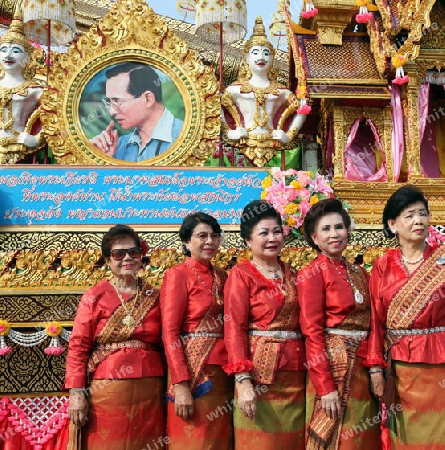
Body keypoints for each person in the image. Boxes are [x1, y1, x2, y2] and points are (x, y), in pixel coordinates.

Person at [65, 225, 165, 450]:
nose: (127, 258)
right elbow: (79, 347)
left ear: (141, 256)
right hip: (107, 388)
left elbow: (167, 343)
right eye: (119, 254)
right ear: (108, 261)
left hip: (151, 388)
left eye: (134, 252)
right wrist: (77, 392)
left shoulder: (156, 296)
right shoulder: (94, 296)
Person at [365, 185, 445, 448]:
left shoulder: (442, 260)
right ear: (393, 223)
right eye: (409, 215)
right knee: (406, 436)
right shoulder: (382, 265)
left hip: (439, 367)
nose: (418, 220)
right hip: (398, 369)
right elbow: (376, 322)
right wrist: (376, 368)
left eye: (423, 213)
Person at [297, 198, 379, 449]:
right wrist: (325, 387)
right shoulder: (312, 273)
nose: (334, 234)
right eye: (326, 229)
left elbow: (374, 321)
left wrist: (376, 368)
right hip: (332, 367)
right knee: (335, 437)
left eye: (339, 227)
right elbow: (312, 332)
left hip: (362, 369)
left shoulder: (359, 272)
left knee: (362, 437)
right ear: (314, 236)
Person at [223, 200, 306, 449]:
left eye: (277, 231)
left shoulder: (293, 273)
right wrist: (243, 380)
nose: (272, 238)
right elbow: (234, 328)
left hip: (295, 374)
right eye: (264, 233)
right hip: (259, 377)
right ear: (248, 240)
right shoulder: (241, 275)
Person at [160, 212, 232, 449]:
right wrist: (181, 384)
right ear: (186, 242)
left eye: (214, 236)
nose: (209, 242)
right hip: (193, 374)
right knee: (193, 440)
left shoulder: (224, 276)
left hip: (223, 373)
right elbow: (170, 333)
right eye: (202, 236)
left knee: (219, 440)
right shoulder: (177, 275)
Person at [221, 17, 306, 167]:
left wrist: (288, 135)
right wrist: (229, 132)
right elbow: (214, 105)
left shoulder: (281, 91)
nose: (261, 57)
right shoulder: (235, 89)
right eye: (255, 52)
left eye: (266, 53)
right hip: (243, 143)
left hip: (273, 145)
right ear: (246, 58)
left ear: (272, 58)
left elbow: (303, 109)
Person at [90, 62, 183, 162]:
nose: (111, 112)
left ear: (148, 99)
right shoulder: (119, 146)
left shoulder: (184, 137)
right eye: (109, 102)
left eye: (117, 101)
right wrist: (104, 160)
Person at [0, 13, 44, 163]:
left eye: (16, 51)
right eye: (3, 50)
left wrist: (36, 139)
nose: (8, 55)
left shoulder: (35, 89)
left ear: (28, 57)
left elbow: (56, 118)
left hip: (18, 151)